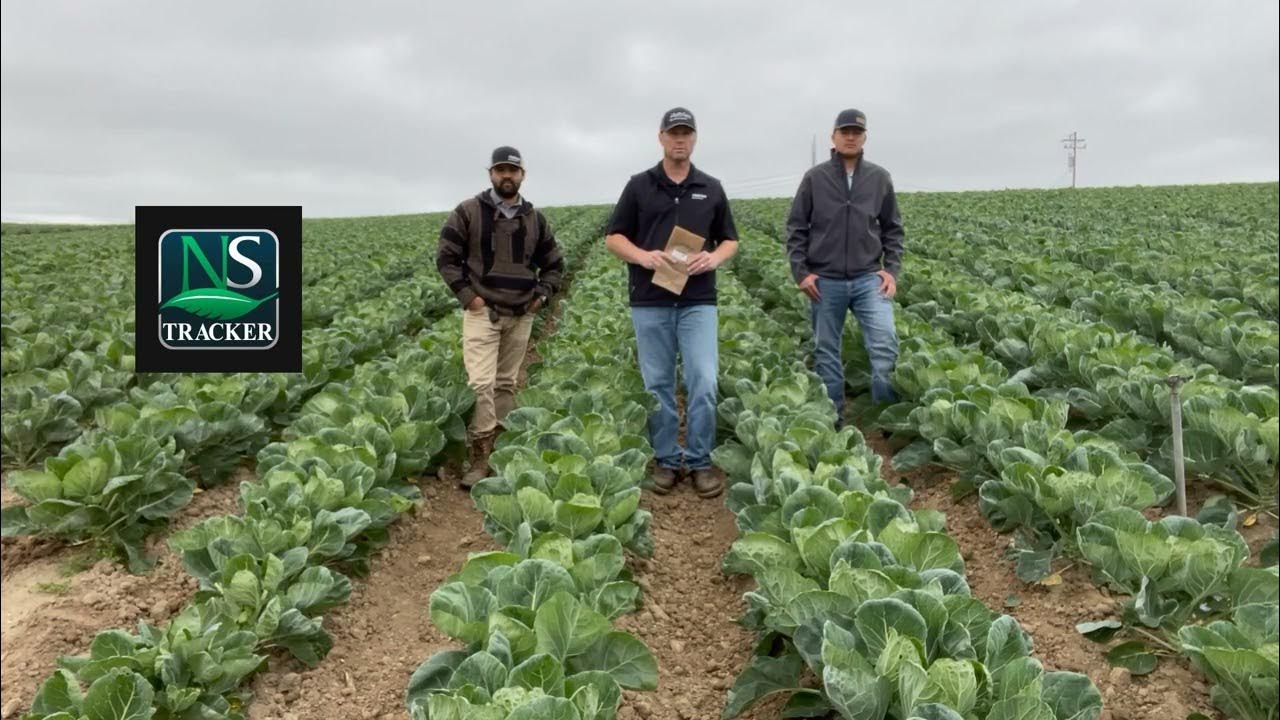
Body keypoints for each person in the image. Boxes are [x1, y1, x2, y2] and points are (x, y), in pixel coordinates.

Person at [604, 107, 739, 498]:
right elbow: (614, 237)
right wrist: (643, 256)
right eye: (673, 133)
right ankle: (666, 459)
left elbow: (730, 239)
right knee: (658, 383)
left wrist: (713, 258)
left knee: (704, 379)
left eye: (686, 133)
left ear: (694, 138)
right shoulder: (639, 186)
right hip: (650, 300)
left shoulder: (711, 187)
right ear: (661, 137)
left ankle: (699, 461)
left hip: (698, 300)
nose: (680, 140)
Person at [437, 146, 564, 489]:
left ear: (522, 175)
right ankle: (480, 457)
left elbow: (554, 264)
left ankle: (502, 452)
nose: (507, 175)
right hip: (483, 313)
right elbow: (446, 258)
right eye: (500, 170)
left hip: (521, 314)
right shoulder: (468, 212)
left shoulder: (535, 219)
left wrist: (541, 296)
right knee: (481, 384)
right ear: (491, 174)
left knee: (506, 384)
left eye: (513, 170)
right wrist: (470, 297)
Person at [785, 108, 904, 424]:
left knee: (884, 346)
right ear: (834, 136)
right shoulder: (815, 178)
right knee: (826, 352)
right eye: (845, 131)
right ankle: (833, 420)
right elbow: (796, 227)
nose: (851, 137)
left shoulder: (879, 178)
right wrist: (801, 273)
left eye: (857, 132)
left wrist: (891, 270)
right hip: (825, 280)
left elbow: (893, 229)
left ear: (864, 138)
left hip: (869, 279)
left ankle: (886, 422)